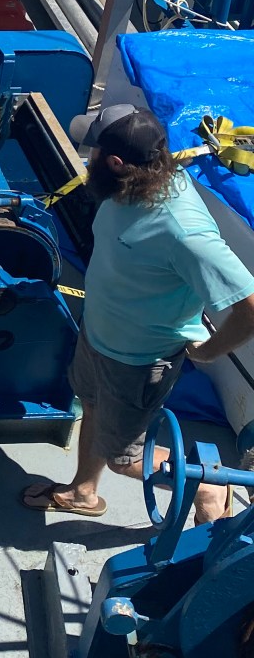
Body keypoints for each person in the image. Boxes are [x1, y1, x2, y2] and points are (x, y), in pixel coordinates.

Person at [22, 104, 254, 523]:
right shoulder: (136, 182)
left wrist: (207, 353)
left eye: (92, 153)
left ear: (115, 162)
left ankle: (207, 483)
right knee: (90, 403)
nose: (86, 160)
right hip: (98, 334)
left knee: (124, 459)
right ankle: (82, 492)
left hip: (137, 361)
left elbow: (250, 308)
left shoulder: (183, 231)